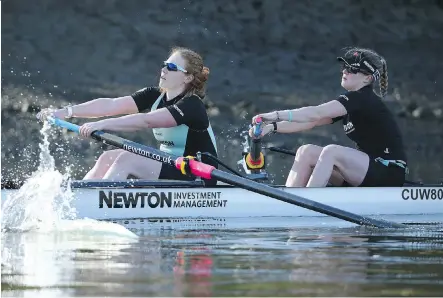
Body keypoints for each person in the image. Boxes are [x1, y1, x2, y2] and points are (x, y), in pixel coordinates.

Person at [37, 46, 219, 186]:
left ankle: (99, 202)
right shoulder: (154, 95)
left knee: (127, 159)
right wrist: (65, 112)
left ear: (187, 78)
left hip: (198, 173)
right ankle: (81, 198)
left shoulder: (192, 105)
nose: (163, 70)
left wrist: (102, 125)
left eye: (171, 67)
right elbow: (111, 105)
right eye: (164, 64)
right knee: (107, 157)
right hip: (170, 163)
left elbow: (146, 121)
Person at [250, 47, 408, 188]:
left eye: (352, 69)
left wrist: (276, 115)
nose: (345, 71)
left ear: (367, 78)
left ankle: (308, 204)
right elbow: (310, 121)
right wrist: (272, 127)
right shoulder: (352, 101)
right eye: (344, 67)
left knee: (331, 151)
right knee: (306, 151)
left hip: (388, 173)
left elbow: (316, 112)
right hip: (364, 171)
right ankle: (289, 200)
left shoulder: (362, 98)